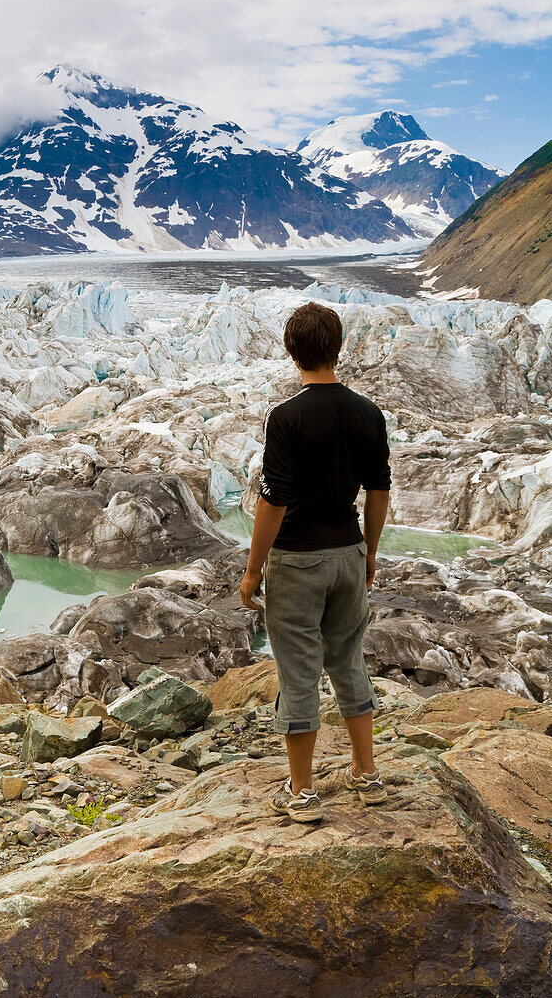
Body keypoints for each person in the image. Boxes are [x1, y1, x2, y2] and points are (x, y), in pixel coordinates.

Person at [240, 301, 390, 822]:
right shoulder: (369, 413)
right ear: (338, 346)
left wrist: (254, 568)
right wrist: (368, 552)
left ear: (291, 352)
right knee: (348, 657)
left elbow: (273, 498)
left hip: (297, 560)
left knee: (298, 670)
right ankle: (366, 773)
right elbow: (378, 491)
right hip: (348, 552)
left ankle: (301, 790)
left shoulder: (286, 418)